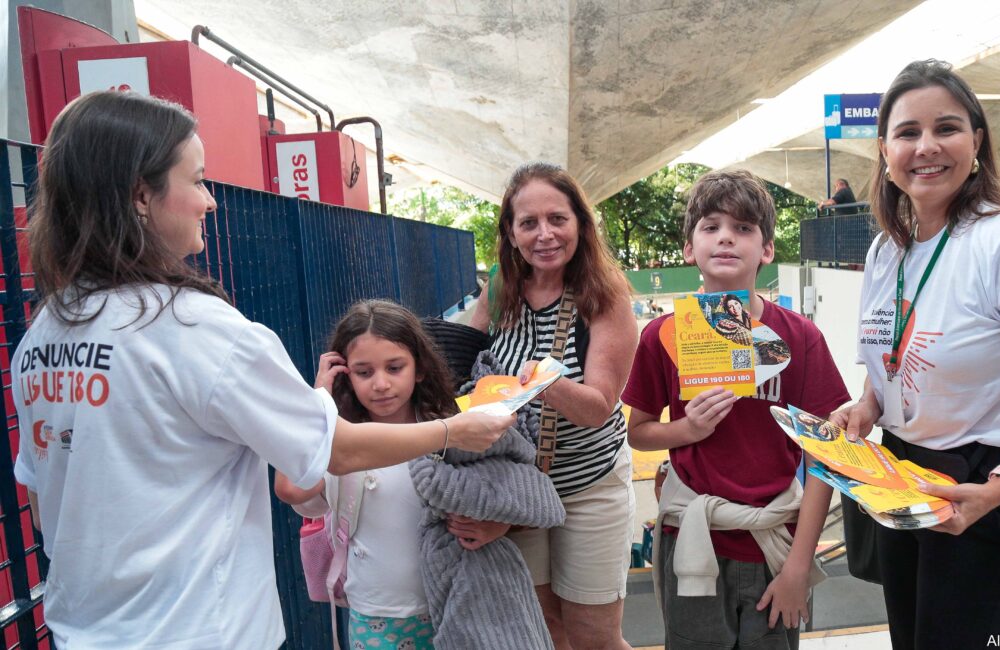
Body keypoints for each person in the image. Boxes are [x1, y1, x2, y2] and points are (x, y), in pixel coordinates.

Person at [11, 91, 511, 649]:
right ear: (141, 196)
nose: (211, 202)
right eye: (197, 180)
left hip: (83, 632)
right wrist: (455, 429)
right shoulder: (195, 329)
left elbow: (38, 495)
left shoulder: (44, 334)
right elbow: (333, 450)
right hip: (200, 631)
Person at [830, 60, 1000, 650]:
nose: (926, 147)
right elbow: (889, 368)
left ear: (976, 141)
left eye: (946, 128)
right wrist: (865, 407)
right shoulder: (887, 251)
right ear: (884, 150)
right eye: (908, 133)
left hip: (991, 492)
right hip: (906, 479)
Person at [623, 169, 851, 649]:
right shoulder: (661, 336)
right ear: (689, 248)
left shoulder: (800, 339)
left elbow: (824, 456)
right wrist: (687, 429)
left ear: (766, 250)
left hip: (775, 543)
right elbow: (639, 432)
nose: (726, 237)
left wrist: (798, 567)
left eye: (743, 228)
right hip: (694, 543)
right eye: (710, 227)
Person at [467, 162, 638, 650]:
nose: (545, 234)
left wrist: (543, 382)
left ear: (580, 224)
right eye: (529, 223)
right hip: (521, 490)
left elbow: (599, 407)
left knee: (595, 638)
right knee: (543, 630)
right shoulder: (501, 288)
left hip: (589, 486)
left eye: (557, 219)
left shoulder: (604, 297)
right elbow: (458, 361)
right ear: (510, 232)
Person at [274, 300, 457, 650]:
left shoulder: (446, 431)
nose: (381, 384)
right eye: (364, 372)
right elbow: (290, 488)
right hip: (375, 614)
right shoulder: (341, 444)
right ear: (345, 374)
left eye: (394, 367)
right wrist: (318, 403)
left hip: (449, 603)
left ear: (419, 368)